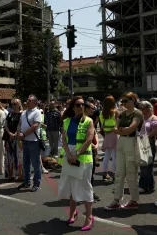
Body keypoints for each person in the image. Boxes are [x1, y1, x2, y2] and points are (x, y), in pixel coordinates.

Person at [58, 96, 95, 231]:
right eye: (78, 105)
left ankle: (89, 217)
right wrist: (69, 155)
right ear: (73, 107)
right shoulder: (67, 121)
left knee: (85, 186)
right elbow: (64, 140)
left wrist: (76, 155)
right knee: (71, 185)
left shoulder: (88, 121)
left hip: (83, 158)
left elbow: (89, 139)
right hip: (70, 157)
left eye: (82, 105)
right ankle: (73, 212)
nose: (81, 107)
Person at [105, 92, 143, 211]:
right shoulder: (122, 114)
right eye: (123, 101)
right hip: (121, 141)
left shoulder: (137, 113)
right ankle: (116, 199)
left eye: (126, 101)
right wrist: (122, 130)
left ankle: (134, 200)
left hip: (131, 142)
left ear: (133, 100)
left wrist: (121, 130)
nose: (124, 104)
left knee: (131, 172)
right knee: (119, 172)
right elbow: (115, 129)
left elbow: (131, 128)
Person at [17, 95, 42, 192]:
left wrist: (24, 134)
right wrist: (19, 133)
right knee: (26, 163)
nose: (27, 102)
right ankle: (26, 181)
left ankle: (36, 183)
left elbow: (35, 126)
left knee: (36, 164)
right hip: (25, 141)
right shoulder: (23, 112)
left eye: (29, 100)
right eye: (27, 100)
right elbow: (19, 124)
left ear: (35, 102)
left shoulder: (37, 112)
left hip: (34, 142)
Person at [138, 101, 157, 194]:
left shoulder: (154, 118)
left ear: (148, 108)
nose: (141, 110)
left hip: (148, 142)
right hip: (140, 142)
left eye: (142, 108)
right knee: (145, 164)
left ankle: (143, 185)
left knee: (146, 165)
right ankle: (150, 185)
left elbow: (154, 131)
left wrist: (145, 138)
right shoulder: (141, 117)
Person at [99, 95, 118, 182]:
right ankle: (115, 173)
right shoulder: (115, 112)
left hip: (107, 135)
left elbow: (102, 125)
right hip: (114, 134)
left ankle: (104, 172)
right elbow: (118, 123)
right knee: (115, 155)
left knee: (107, 155)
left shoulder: (102, 113)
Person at [4, 99, 23, 180]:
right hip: (9, 137)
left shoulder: (22, 114)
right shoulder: (10, 114)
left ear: (19, 104)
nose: (13, 105)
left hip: (18, 137)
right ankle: (10, 174)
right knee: (9, 156)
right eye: (12, 104)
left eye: (15, 103)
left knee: (18, 156)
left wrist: (15, 133)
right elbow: (5, 124)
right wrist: (9, 133)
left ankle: (19, 175)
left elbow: (21, 125)